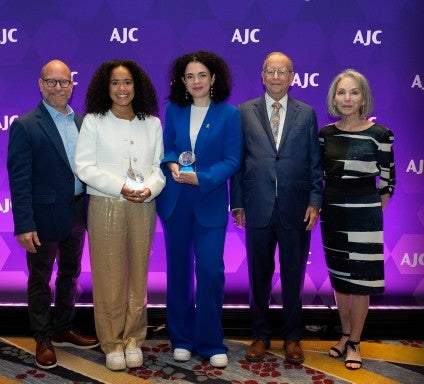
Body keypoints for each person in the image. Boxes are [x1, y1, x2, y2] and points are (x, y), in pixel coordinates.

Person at [230, 51, 323, 366]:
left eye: (282, 72)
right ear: (262, 75)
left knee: (294, 276)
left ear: (292, 77)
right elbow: (239, 163)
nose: (276, 77)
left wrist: (315, 201)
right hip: (257, 207)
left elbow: (314, 163)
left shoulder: (306, 114)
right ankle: (260, 335)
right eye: (270, 71)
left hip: (296, 208)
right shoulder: (244, 112)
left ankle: (293, 337)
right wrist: (238, 203)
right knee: (258, 276)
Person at [5, 59, 100, 370]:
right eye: (51, 82)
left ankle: (63, 328)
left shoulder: (83, 122)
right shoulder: (26, 125)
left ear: (72, 85)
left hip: (78, 212)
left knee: (70, 275)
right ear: (41, 84)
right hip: (42, 218)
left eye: (64, 82)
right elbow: (19, 180)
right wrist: (24, 224)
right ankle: (43, 337)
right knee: (40, 279)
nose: (58, 87)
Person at [74, 59, 165, 371]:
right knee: (109, 275)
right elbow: (84, 166)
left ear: (137, 86)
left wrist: (149, 189)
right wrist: (120, 187)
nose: (122, 89)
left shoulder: (152, 123)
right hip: (106, 203)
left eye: (127, 82)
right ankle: (112, 342)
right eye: (115, 83)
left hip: (143, 204)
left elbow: (159, 168)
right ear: (106, 87)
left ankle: (133, 339)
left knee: (139, 273)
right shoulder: (94, 121)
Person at [156, 51, 242, 368]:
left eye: (202, 75)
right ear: (182, 81)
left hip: (210, 200)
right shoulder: (173, 110)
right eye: (190, 76)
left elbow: (232, 160)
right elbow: (167, 147)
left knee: (209, 271)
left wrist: (201, 177)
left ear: (214, 78)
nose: (196, 82)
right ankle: (181, 338)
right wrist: (171, 163)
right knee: (178, 272)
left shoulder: (229, 114)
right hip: (176, 201)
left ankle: (210, 342)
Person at [319, 69, 395, 370]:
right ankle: (344, 335)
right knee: (340, 279)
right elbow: (318, 175)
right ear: (334, 99)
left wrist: (372, 212)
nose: (347, 98)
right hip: (333, 212)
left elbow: (388, 181)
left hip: (365, 214)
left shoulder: (380, 134)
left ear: (364, 97)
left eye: (353, 92)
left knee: (362, 281)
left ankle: (354, 343)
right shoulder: (325, 134)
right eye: (341, 92)